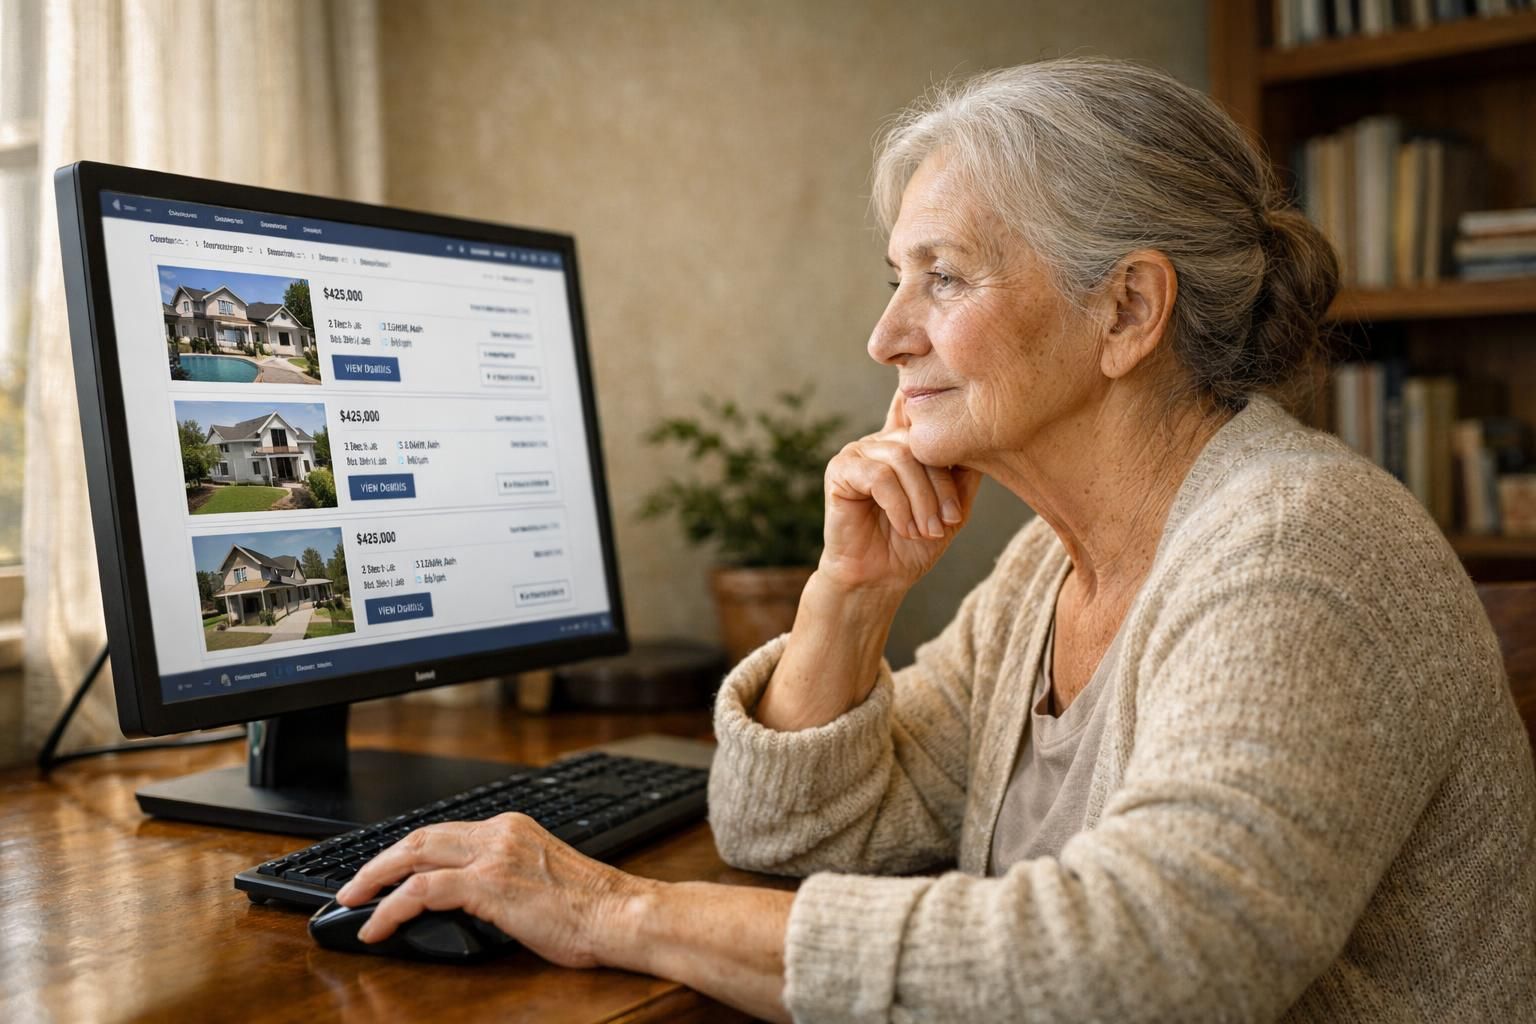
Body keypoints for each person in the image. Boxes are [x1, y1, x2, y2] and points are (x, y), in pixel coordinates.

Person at [336, 57, 1536, 1021]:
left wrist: (615, 912)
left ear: (1126, 310)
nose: (886, 335)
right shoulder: (1043, 569)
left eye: (943, 279)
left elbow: (1161, 967)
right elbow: (790, 835)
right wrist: (851, 593)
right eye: (895, 278)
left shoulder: (1298, 547)